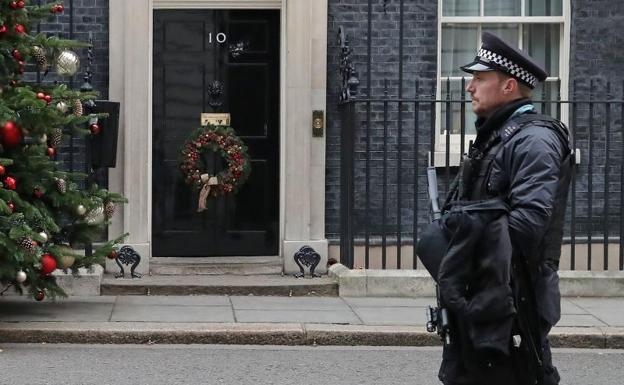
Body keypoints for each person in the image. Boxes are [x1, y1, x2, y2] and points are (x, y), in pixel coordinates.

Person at [435, 32, 573, 385]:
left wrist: (463, 238)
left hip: (512, 300)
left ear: (509, 86)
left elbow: (527, 224)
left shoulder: (535, 140)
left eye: (480, 79)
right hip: (485, 293)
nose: (469, 88)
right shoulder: (499, 135)